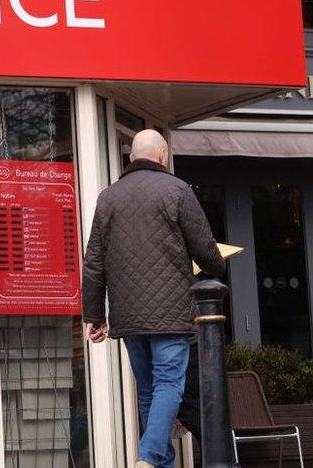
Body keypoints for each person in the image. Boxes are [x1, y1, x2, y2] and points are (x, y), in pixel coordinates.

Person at [82, 129, 225, 468]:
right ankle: (147, 458)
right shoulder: (177, 190)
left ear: (132, 158)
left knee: (148, 390)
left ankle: (160, 463)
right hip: (171, 312)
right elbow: (204, 248)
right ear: (162, 154)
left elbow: (93, 262)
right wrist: (217, 267)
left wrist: (93, 314)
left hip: (128, 316)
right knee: (168, 385)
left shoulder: (108, 197)